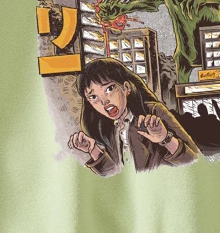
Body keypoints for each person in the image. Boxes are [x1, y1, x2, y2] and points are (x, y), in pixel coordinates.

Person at [68, 58, 199, 176]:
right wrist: (92, 149)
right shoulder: (108, 129)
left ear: (126, 88)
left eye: (109, 89)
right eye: (93, 97)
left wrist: (165, 139)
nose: (104, 101)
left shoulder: (153, 111)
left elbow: (193, 160)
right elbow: (114, 175)